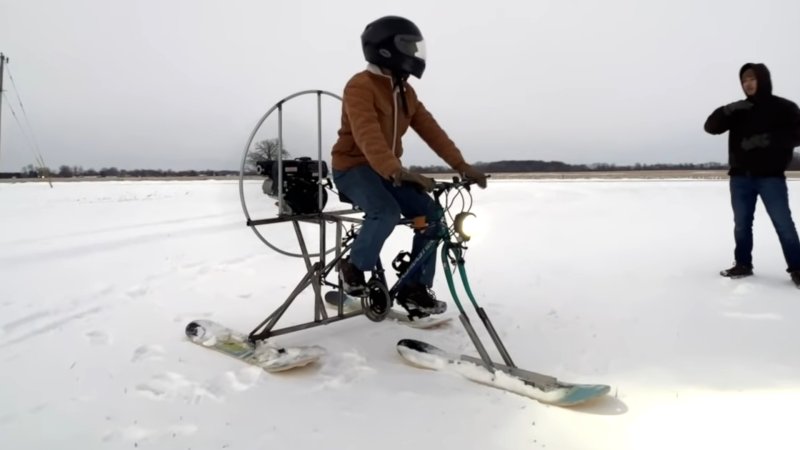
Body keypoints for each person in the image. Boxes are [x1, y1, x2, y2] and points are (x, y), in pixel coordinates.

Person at [330, 15, 487, 315]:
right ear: (386, 48)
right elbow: (367, 136)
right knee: (385, 211)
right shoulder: (360, 86)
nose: (414, 54)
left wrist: (462, 165)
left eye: (416, 47)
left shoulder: (405, 92)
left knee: (433, 216)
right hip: (353, 168)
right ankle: (352, 267)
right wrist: (396, 171)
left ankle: (414, 288)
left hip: (387, 169)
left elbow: (432, 131)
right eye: (408, 46)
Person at [704, 62, 800, 286]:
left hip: (770, 177)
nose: (747, 84)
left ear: (763, 80)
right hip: (740, 178)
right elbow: (710, 127)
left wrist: (768, 140)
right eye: (744, 80)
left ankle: (797, 268)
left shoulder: (784, 107)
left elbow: (798, 132)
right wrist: (727, 110)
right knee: (742, 224)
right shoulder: (739, 110)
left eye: (752, 79)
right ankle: (743, 264)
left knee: (783, 223)